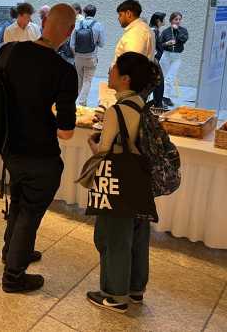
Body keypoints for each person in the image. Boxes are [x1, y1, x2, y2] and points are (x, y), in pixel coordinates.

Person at [0, 3, 78, 294]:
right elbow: (66, 132)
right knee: (30, 212)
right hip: (40, 154)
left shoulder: (10, 52)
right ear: (69, 32)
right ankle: (13, 276)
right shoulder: (64, 71)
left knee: (19, 202)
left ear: (44, 22)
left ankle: (12, 251)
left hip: (9, 147)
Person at [86, 52, 157, 313]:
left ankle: (114, 296)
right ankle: (136, 290)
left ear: (125, 79)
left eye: (114, 68)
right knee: (138, 235)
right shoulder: (143, 106)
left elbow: (104, 152)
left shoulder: (117, 111)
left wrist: (92, 143)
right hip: (141, 178)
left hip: (117, 180)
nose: (110, 71)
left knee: (114, 237)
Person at [70, 4, 106, 106]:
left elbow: (72, 44)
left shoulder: (78, 24)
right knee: (87, 81)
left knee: (79, 80)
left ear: (84, 13)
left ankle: (73, 101)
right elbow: (102, 44)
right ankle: (81, 103)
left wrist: (76, 54)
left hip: (78, 58)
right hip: (91, 58)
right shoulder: (98, 25)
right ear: (95, 13)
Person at [159, 12, 188, 106]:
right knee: (162, 77)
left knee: (170, 77)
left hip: (177, 56)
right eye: (176, 19)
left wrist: (177, 31)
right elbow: (159, 44)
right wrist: (167, 44)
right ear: (171, 20)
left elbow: (184, 39)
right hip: (166, 55)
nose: (178, 21)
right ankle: (160, 96)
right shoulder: (166, 31)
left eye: (179, 19)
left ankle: (166, 97)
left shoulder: (183, 30)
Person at [149, 12, 167, 108]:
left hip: (152, 60)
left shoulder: (153, 30)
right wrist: (155, 58)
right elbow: (153, 47)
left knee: (156, 82)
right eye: (163, 19)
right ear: (158, 20)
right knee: (159, 82)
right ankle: (158, 105)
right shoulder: (154, 31)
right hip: (153, 61)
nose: (164, 21)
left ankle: (157, 104)